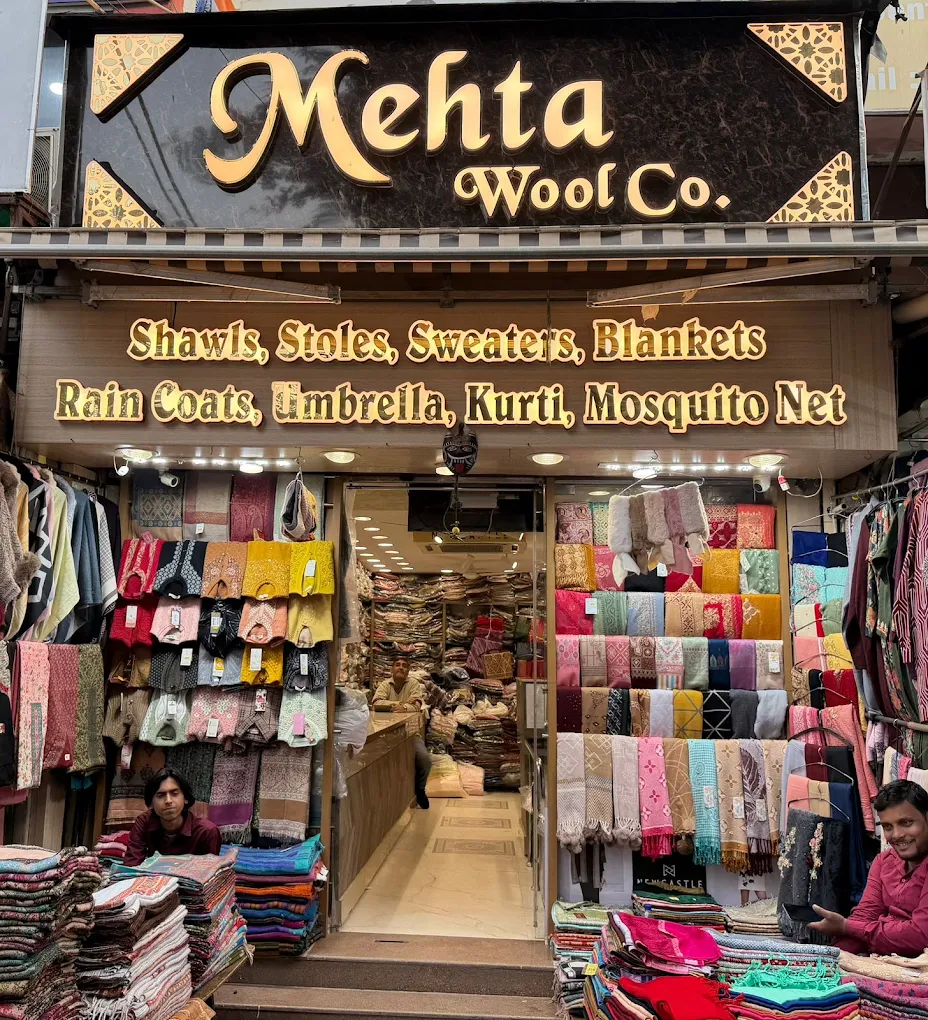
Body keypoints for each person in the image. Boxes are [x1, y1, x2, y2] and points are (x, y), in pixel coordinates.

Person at [810, 779, 928, 955]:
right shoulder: (883, 862)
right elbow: (865, 915)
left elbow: (920, 936)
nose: (896, 835)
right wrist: (828, 959)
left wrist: (846, 926)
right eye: (888, 827)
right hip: (887, 960)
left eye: (906, 823)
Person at [124, 767, 221, 866]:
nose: (168, 801)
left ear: (185, 798)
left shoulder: (206, 832)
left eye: (175, 794)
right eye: (161, 795)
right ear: (151, 803)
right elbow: (131, 866)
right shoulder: (144, 822)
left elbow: (209, 872)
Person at [372, 657, 431, 809]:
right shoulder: (385, 685)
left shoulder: (413, 684)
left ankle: (420, 789)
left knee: (425, 759)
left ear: (408, 670)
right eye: (397, 665)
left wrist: (402, 708)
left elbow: (417, 705)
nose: (401, 668)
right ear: (392, 669)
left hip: (410, 734)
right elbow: (376, 703)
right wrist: (401, 704)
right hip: (387, 735)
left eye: (404, 666)